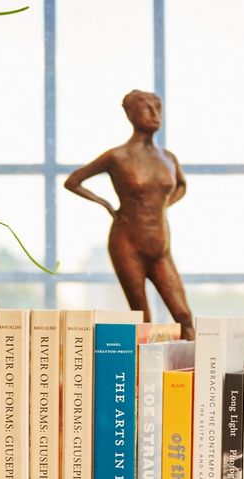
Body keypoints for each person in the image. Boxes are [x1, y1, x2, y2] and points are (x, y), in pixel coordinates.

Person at [64, 90, 194, 339]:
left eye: (158, 107)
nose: (155, 114)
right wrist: (106, 204)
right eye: (147, 108)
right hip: (128, 242)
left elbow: (182, 185)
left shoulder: (168, 158)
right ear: (130, 113)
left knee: (184, 316)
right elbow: (73, 181)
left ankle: (197, 364)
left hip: (160, 244)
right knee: (143, 319)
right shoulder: (117, 156)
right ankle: (141, 365)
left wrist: (162, 205)